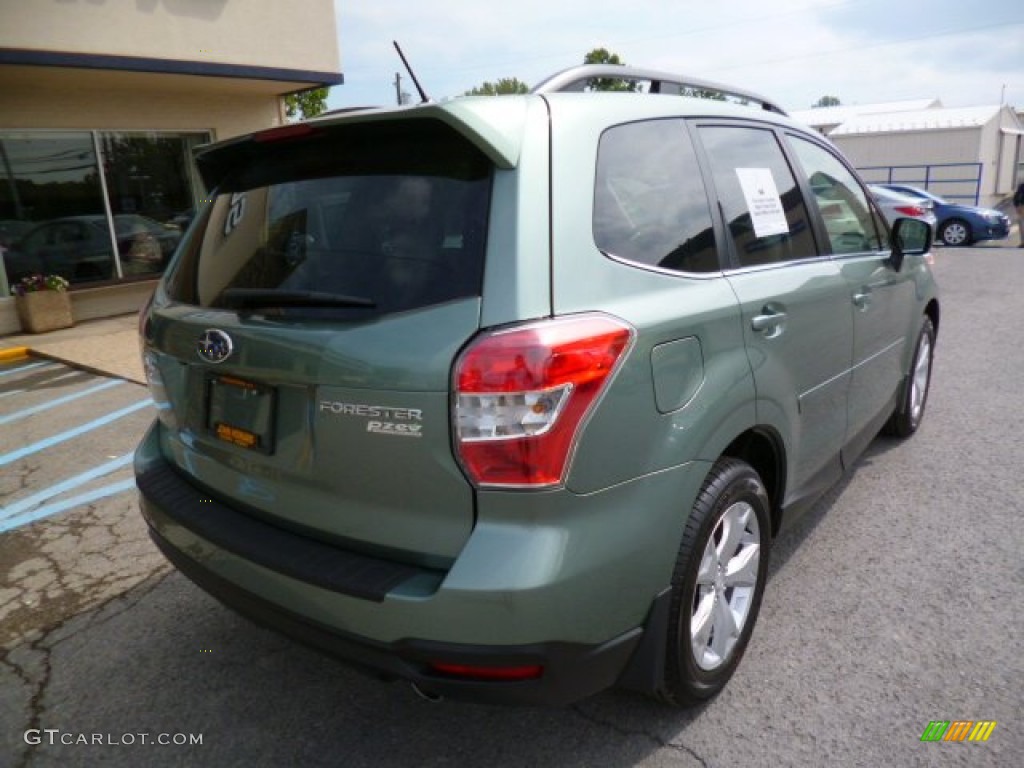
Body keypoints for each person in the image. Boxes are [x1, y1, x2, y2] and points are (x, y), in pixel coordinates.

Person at [1014, 180, 1024, 247]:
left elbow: (1017, 196)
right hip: (1022, 206)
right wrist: (1017, 205)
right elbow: (1017, 196)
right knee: (1022, 224)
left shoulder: (1022, 186)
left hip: (1021, 206)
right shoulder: (1022, 186)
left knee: (1022, 224)